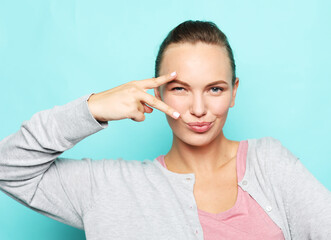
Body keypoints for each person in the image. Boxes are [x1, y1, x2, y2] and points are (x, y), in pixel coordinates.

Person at [0, 20, 330, 240]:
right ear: (157, 93)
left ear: (234, 91)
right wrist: (92, 107)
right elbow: (7, 167)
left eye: (215, 89)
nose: (199, 109)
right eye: (180, 89)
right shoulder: (108, 187)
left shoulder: (269, 163)